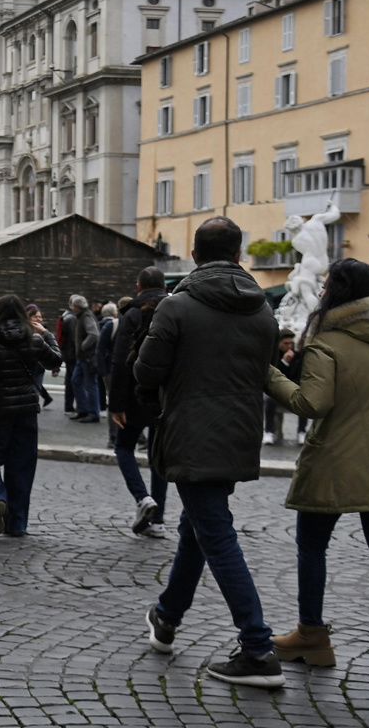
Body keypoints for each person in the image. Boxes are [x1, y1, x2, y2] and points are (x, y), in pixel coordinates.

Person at [137, 216, 284, 689]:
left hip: (191, 431)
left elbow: (146, 372)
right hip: (240, 433)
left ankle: (258, 649)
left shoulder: (176, 307)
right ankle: (167, 615)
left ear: (195, 256)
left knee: (216, 534)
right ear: (239, 256)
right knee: (196, 526)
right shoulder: (263, 312)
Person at [264, 258, 369, 668]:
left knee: (312, 546)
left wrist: (269, 374)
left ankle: (312, 634)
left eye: (326, 284)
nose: (320, 290)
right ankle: (310, 636)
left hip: (334, 458)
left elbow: (311, 403)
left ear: (338, 292)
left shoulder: (326, 342)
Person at [0, 294, 62, 538]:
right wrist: (46, 333)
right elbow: (56, 359)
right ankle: (17, 523)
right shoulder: (34, 340)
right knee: (22, 467)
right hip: (26, 411)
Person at [109, 266, 170, 539]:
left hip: (135, 392)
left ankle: (142, 498)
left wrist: (115, 403)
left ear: (138, 287)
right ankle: (158, 522)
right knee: (158, 458)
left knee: (124, 448)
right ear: (165, 286)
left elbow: (121, 360)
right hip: (165, 395)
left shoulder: (132, 313)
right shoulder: (176, 309)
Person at [263, 330, 306, 445]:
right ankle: (269, 432)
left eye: (291, 343)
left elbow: (300, 376)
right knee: (269, 400)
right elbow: (271, 376)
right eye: (286, 343)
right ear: (279, 343)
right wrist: (284, 362)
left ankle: (301, 432)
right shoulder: (274, 355)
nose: (289, 346)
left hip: (294, 389)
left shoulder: (297, 357)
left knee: (305, 399)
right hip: (277, 392)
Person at [68, 295, 101, 423]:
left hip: (86, 357)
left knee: (90, 384)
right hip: (82, 357)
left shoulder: (86, 317)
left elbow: (94, 334)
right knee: (76, 380)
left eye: (73, 306)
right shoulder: (83, 316)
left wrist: (83, 346)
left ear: (76, 307)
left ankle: (92, 412)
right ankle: (83, 410)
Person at [96, 302, 119, 446]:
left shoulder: (112, 325)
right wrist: (103, 371)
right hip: (113, 370)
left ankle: (115, 436)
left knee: (115, 402)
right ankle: (114, 436)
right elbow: (100, 348)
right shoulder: (112, 325)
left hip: (113, 369)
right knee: (116, 402)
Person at [25, 304, 55, 407]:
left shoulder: (45, 332)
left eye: (40, 317)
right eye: (35, 317)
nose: (38, 319)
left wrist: (55, 368)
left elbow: (53, 351)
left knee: (35, 394)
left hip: (39, 368)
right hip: (25, 367)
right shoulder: (23, 331)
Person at [55, 304, 77, 412]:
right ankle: (71, 405)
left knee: (69, 379)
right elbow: (74, 338)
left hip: (67, 352)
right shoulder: (72, 318)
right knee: (74, 380)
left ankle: (68, 405)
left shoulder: (65, 316)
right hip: (72, 353)